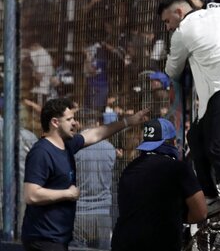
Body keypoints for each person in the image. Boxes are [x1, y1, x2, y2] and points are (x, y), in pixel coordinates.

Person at [159, 0, 220, 218]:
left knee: (215, 147)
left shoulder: (182, 33)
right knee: (196, 137)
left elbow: (172, 71)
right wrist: (205, 6)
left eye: (167, 21)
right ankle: (211, 197)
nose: (168, 27)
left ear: (179, 12)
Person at [21, 97, 149, 251]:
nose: (74, 123)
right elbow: (31, 195)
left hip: (59, 239)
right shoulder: (41, 152)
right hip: (43, 239)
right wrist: (67, 193)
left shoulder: (68, 145)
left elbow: (95, 134)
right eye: (69, 119)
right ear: (55, 122)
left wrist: (128, 122)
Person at [111, 118, 207, 251]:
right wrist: (177, 217)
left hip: (123, 243)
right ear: (172, 143)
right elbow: (200, 213)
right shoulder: (179, 169)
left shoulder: (130, 169)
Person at [72, 109, 117, 250]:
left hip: (80, 212)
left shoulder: (75, 147)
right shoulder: (110, 148)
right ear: (98, 124)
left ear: (81, 124)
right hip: (103, 212)